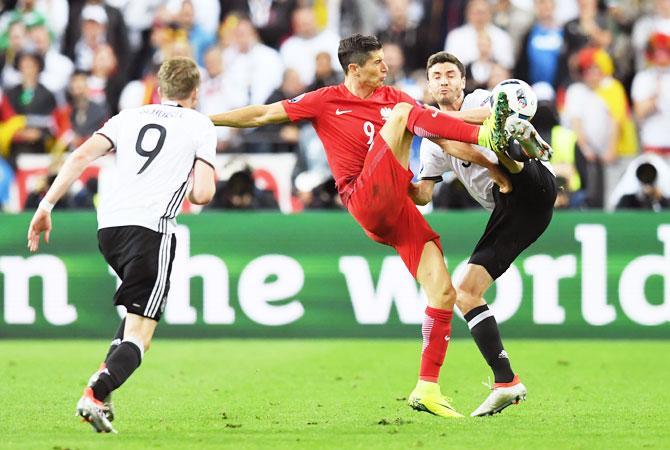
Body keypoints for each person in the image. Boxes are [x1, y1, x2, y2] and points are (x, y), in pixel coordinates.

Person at [210, 34, 513, 418]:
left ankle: (427, 387)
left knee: (443, 290)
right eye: (377, 63)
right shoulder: (325, 100)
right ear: (354, 69)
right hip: (363, 198)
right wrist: (205, 121)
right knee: (406, 114)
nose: (386, 68)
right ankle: (486, 134)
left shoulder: (396, 99)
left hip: (395, 208)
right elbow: (261, 115)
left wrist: (487, 122)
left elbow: (440, 124)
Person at [26, 56, 216, 433]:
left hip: (109, 229)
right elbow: (203, 194)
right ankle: (95, 394)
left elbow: (80, 155)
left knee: (132, 317)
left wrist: (45, 205)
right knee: (141, 336)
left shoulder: (128, 116)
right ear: (195, 92)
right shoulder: (200, 124)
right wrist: (194, 170)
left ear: (159, 90)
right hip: (151, 230)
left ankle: (103, 390)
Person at [410, 51, 557, 416]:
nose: (443, 80)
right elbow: (424, 195)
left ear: (463, 81)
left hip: (532, 186)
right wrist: (394, 180)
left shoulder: (481, 100)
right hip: (515, 215)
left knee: (501, 128)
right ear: (430, 84)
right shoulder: (431, 141)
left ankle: (518, 147)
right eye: (437, 76)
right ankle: (506, 380)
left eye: (450, 74)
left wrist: (438, 121)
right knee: (466, 292)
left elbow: (490, 114)